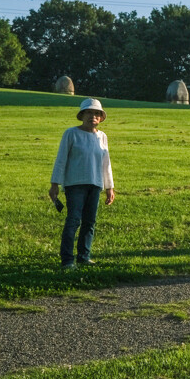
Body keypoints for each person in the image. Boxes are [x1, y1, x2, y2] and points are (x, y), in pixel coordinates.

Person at [49, 98, 115, 269]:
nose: (92, 116)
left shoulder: (102, 137)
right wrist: (55, 184)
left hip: (95, 184)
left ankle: (84, 257)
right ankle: (67, 260)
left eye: (96, 113)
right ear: (82, 115)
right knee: (73, 221)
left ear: (100, 118)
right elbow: (61, 160)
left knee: (89, 222)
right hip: (75, 184)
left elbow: (106, 163)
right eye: (89, 112)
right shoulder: (71, 134)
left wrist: (110, 187)